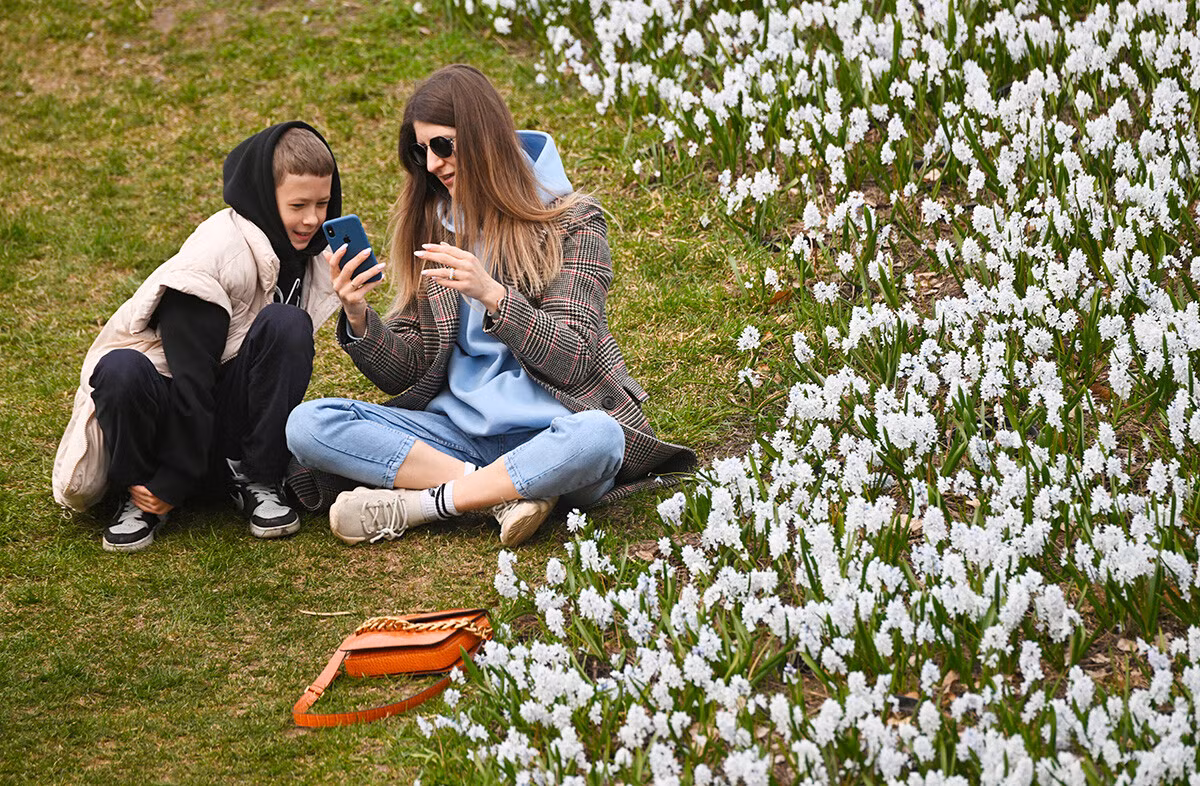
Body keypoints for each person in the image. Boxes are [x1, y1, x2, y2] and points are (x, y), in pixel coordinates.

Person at [285, 65, 695, 548]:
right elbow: (408, 372)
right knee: (309, 425)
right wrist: (358, 315)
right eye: (420, 151)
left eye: (443, 145)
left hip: (554, 432)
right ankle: (502, 493)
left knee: (601, 438)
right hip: (455, 435)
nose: (432, 164)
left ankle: (420, 506)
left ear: (484, 136)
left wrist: (493, 295)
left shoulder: (573, 221)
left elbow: (575, 357)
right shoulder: (435, 222)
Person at [52, 121, 344, 552]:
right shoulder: (214, 258)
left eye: (322, 203)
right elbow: (192, 381)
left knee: (287, 324)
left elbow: (267, 360)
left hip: (220, 424)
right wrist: (171, 479)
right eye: (298, 205)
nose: (312, 219)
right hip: (165, 418)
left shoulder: (311, 254)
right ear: (265, 197)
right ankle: (141, 495)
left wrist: (354, 306)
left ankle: (257, 477)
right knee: (120, 369)